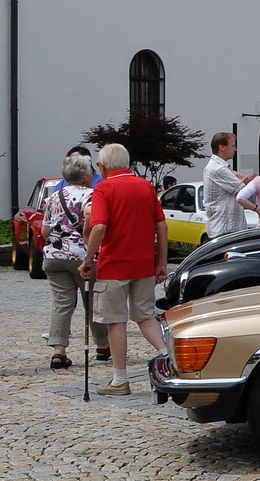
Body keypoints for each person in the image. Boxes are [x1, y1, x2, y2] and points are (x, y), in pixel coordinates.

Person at [78, 143, 167, 395]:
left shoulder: (104, 188)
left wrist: (87, 258)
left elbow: (99, 227)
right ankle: (168, 357)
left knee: (115, 321)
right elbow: (161, 225)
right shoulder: (146, 186)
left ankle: (120, 379)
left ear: (103, 166)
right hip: (143, 263)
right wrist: (161, 261)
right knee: (145, 316)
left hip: (114, 264)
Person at [42, 153, 108, 368]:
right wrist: (88, 242)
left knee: (62, 302)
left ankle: (59, 351)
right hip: (82, 256)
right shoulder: (91, 195)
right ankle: (102, 346)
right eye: (90, 171)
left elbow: (45, 230)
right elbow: (90, 219)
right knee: (93, 302)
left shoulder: (53, 197)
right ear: (83, 175)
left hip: (54, 256)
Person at [202, 132, 253, 244]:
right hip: (225, 230)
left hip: (227, 229)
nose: (235, 149)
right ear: (222, 147)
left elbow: (238, 184)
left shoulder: (221, 167)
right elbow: (244, 191)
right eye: (233, 146)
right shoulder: (218, 169)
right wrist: (252, 179)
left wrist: (242, 180)